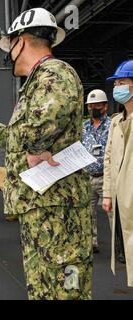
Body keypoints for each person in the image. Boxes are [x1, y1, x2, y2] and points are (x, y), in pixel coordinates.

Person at [0, 8, 92, 300]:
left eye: (10, 45)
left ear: (20, 41)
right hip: (42, 204)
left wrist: (35, 146)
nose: (8, 54)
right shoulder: (38, 81)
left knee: (66, 287)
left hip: (59, 210)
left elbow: (40, 127)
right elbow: (24, 136)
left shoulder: (55, 73)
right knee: (43, 285)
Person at [103, 59, 133, 286]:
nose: (116, 88)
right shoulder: (116, 122)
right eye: (115, 84)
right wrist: (107, 194)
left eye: (121, 82)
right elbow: (108, 159)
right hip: (120, 197)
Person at [81, 89, 112, 253]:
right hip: (88, 177)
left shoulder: (112, 126)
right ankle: (92, 243)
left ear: (105, 107)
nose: (93, 108)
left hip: (107, 177)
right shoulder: (83, 127)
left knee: (113, 214)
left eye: (97, 105)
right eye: (90, 106)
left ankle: (119, 246)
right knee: (88, 213)